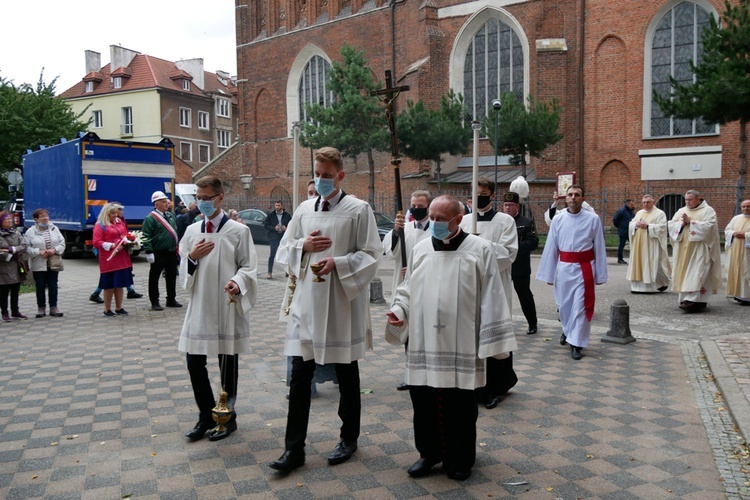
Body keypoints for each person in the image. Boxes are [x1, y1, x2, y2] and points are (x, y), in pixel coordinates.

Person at [385, 195, 516, 481]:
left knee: (460, 405)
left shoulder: (480, 250)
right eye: (432, 218)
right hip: (423, 341)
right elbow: (407, 289)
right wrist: (398, 310)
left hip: (462, 343)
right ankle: (428, 454)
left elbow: (493, 298)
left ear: (458, 219)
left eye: (441, 219)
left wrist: (492, 343)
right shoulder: (420, 250)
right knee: (423, 400)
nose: (434, 223)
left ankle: (460, 459)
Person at [269, 147, 381, 473]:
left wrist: (339, 263)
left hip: (341, 304)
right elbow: (284, 251)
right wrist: (303, 246)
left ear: (341, 176)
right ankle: (294, 449)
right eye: (316, 175)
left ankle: (349, 437)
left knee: (347, 376)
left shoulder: (359, 210)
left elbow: (372, 254)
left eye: (327, 176)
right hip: (307, 303)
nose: (320, 180)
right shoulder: (303, 210)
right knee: (300, 378)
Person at [179, 175, 258, 442]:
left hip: (226, 306)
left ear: (220, 198)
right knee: (194, 362)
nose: (201, 203)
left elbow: (249, 267)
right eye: (198, 198)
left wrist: (238, 281)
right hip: (200, 305)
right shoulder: (191, 231)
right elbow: (183, 269)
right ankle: (205, 416)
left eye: (206, 198)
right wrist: (192, 258)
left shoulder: (238, 231)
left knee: (227, 363)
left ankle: (227, 417)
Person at [459, 177, 518, 409]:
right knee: (472, 335)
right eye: (474, 193)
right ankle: (474, 384)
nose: (478, 198)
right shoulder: (462, 220)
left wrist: (481, 245)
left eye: (483, 193)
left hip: (494, 284)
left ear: (492, 196)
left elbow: (509, 253)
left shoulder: (505, 221)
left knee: (494, 332)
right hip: (468, 284)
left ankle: (496, 387)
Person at [537, 185, 608, 360]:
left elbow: (599, 246)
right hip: (564, 269)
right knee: (564, 306)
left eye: (577, 195)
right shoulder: (558, 219)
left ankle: (576, 343)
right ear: (565, 198)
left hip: (585, 268)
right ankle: (568, 331)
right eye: (570, 195)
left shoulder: (593, 219)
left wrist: (600, 273)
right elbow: (551, 246)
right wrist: (549, 273)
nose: (573, 197)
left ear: (583, 199)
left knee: (581, 307)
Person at [382, 190, 432, 391]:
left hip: (428, 289)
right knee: (409, 332)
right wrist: (395, 232)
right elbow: (391, 253)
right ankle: (411, 373)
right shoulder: (405, 229)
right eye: (414, 206)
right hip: (405, 288)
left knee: (427, 332)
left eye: (421, 206)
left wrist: (414, 270)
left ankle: (430, 373)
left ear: (429, 207)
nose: (416, 209)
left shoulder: (435, 230)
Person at [668, 190, 722, 312]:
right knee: (685, 272)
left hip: (700, 248)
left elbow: (710, 227)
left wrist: (691, 222)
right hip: (683, 248)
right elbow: (671, 225)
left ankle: (693, 300)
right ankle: (687, 299)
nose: (688, 202)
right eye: (686, 200)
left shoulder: (708, 211)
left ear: (699, 199)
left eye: (690, 199)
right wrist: (681, 224)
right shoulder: (681, 211)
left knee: (698, 272)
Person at [89, 203, 143, 304]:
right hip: (110, 258)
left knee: (119, 283)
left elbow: (124, 234)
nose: (117, 214)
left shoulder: (119, 222)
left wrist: (129, 241)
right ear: (107, 213)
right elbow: (96, 242)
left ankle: (120, 305)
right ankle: (105, 306)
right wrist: (112, 245)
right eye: (113, 213)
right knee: (109, 284)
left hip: (121, 257)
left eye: (116, 212)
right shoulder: (100, 225)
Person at [502, 192, 539, 335]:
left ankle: (532, 323)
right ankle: (502, 324)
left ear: (517, 206)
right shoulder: (499, 222)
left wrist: (514, 247)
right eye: (505, 205)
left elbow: (533, 242)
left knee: (524, 295)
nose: (507, 208)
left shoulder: (526, 222)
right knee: (501, 295)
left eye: (511, 205)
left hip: (520, 265)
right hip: (503, 265)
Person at [143, 191, 182, 311]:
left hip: (171, 251)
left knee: (171, 276)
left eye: (167, 201)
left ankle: (171, 299)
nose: (167, 204)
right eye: (163, 202)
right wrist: (149, 251)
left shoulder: (170, 216)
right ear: (156, 204)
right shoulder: (151, 218)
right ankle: (154, 301)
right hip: (158, 252)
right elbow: (146, 235)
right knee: (154, 278)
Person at [24, 209, 66, 318]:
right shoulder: (30, 231)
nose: (45, 218)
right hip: (38, 262)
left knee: (53, 285)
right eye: (42, 216)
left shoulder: (54, 228)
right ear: (36, 219)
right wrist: (39, 252)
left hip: (53, 262)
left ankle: (54, 307)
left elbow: (62, 243)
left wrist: (54, 250)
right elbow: (26, 248)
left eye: (46, 216)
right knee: (40, 286)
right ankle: (41, 308)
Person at [626, 194, 671, 293]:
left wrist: (648, 226)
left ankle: (651, 286)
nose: (645, 204)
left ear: (653, 202)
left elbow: (662, 227)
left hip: (651, 244)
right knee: (638, 262)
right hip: (638, 244)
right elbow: (631, 224)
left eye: (648, 202)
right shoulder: (639, 213)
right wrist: (636, 224)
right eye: (644, 202)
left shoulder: (659, 213)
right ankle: (636, 287)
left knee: (652, 263)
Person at [0, 211, 28, 322]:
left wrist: (13, 249)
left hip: (16, 266)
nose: (10, 221)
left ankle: (15, 311)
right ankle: (4, 312)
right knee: (3, 291)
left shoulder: (16, 233)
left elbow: (24, 245)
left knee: (15, 289)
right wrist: (9, 256)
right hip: (3, 267)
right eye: (7, 220)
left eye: (10, 219)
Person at [725, 200, 750, 305]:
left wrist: (746, 235)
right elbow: (727, 230)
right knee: (737, 270)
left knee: (747, 270)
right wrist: (733, 233)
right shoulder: (736, 218)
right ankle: (739, 295)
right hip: (735, 249)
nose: (746, 209)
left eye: (748, 206)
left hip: (747, 251)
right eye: (743, 206)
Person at [264, 201, 292, 280]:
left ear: (282, 206)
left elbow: (292, 224)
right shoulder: (271, 215)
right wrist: (274, 228)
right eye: (276, 205)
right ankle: (269, 272)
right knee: (272, 254)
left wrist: (286, 229)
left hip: (284, 237)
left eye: (279, 205)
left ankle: (287, 271)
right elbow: (266, 225)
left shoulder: (287, 215)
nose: (277, 207)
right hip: (274, 237)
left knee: (286, 254)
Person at [613, 199, 635, 264]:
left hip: (630, 230)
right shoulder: (622, 210)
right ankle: (620, 259)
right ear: (627, 204)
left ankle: (634, 258)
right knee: (621, 245)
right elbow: (615, 219)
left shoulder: (631, 211)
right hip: (623, 231)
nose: (632, 205)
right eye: (631, 204)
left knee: (633, 244)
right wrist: (619, 227)